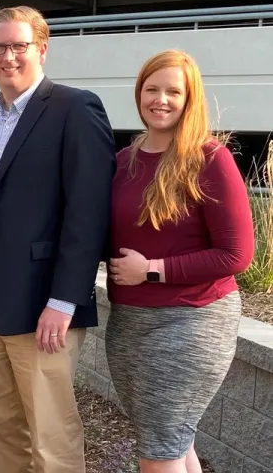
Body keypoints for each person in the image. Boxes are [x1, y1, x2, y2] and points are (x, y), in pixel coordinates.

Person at [0, 5, 116, 473]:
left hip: (43, 303)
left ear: (41, 49)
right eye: (0, 46)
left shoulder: (75, 108)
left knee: (50, 432)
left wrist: (64, 300)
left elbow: (88, 213)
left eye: (19, 46)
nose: (9, 56)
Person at [106, 50, 254, 473]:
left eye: (174, 91)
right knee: (170, 440)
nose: (161, 99)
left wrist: (153, 268)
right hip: (130, 322)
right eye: (152, 89)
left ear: (191, 99)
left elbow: (237, 254)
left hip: (191, 321)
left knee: (159, 450)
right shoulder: (122, 161)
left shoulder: (210, 159)